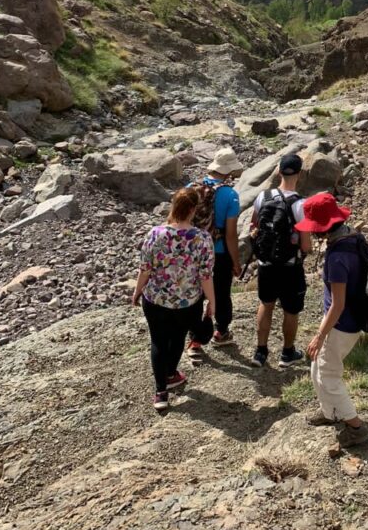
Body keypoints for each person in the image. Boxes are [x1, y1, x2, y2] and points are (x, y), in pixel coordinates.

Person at [298, 192, 368, 446]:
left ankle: (356, 427)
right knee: (318, 367)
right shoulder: (352, 238)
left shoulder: (338, 257)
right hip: (350, 318)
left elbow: (338, 304)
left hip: (342, 324)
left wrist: (320, 336)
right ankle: (330, 411)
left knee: (328, 376)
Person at [132, 186, 216, 412]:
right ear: (193, 209)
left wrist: (137, 291)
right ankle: (170, 374)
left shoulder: (155, 233)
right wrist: (212, 302)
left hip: (156, 298)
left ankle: (161, 392)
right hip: (188, 302)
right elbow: (206, 275)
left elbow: (145, 268)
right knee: (178, 337)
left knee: (158, 341)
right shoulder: (202, 238)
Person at [250, 153, 311, 369]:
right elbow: (306, 245)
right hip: (290, 267)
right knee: (291, 310)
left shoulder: (263, 197)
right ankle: (287, 353)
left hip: (266, 264)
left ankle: (260, 352)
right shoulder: (301, 204)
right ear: (300, 174)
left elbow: (254, 226)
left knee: (266, 304)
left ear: (278, 171)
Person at [186, 146, 242, 361]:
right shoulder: (230, 195)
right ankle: (221, 332)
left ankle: (195, 341)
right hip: (219, 253)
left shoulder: (190, 188)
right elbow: (231, 234)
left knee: (195, 295)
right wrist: (236, 261)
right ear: (229, 171)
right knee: (221, 293)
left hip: (193, 253)